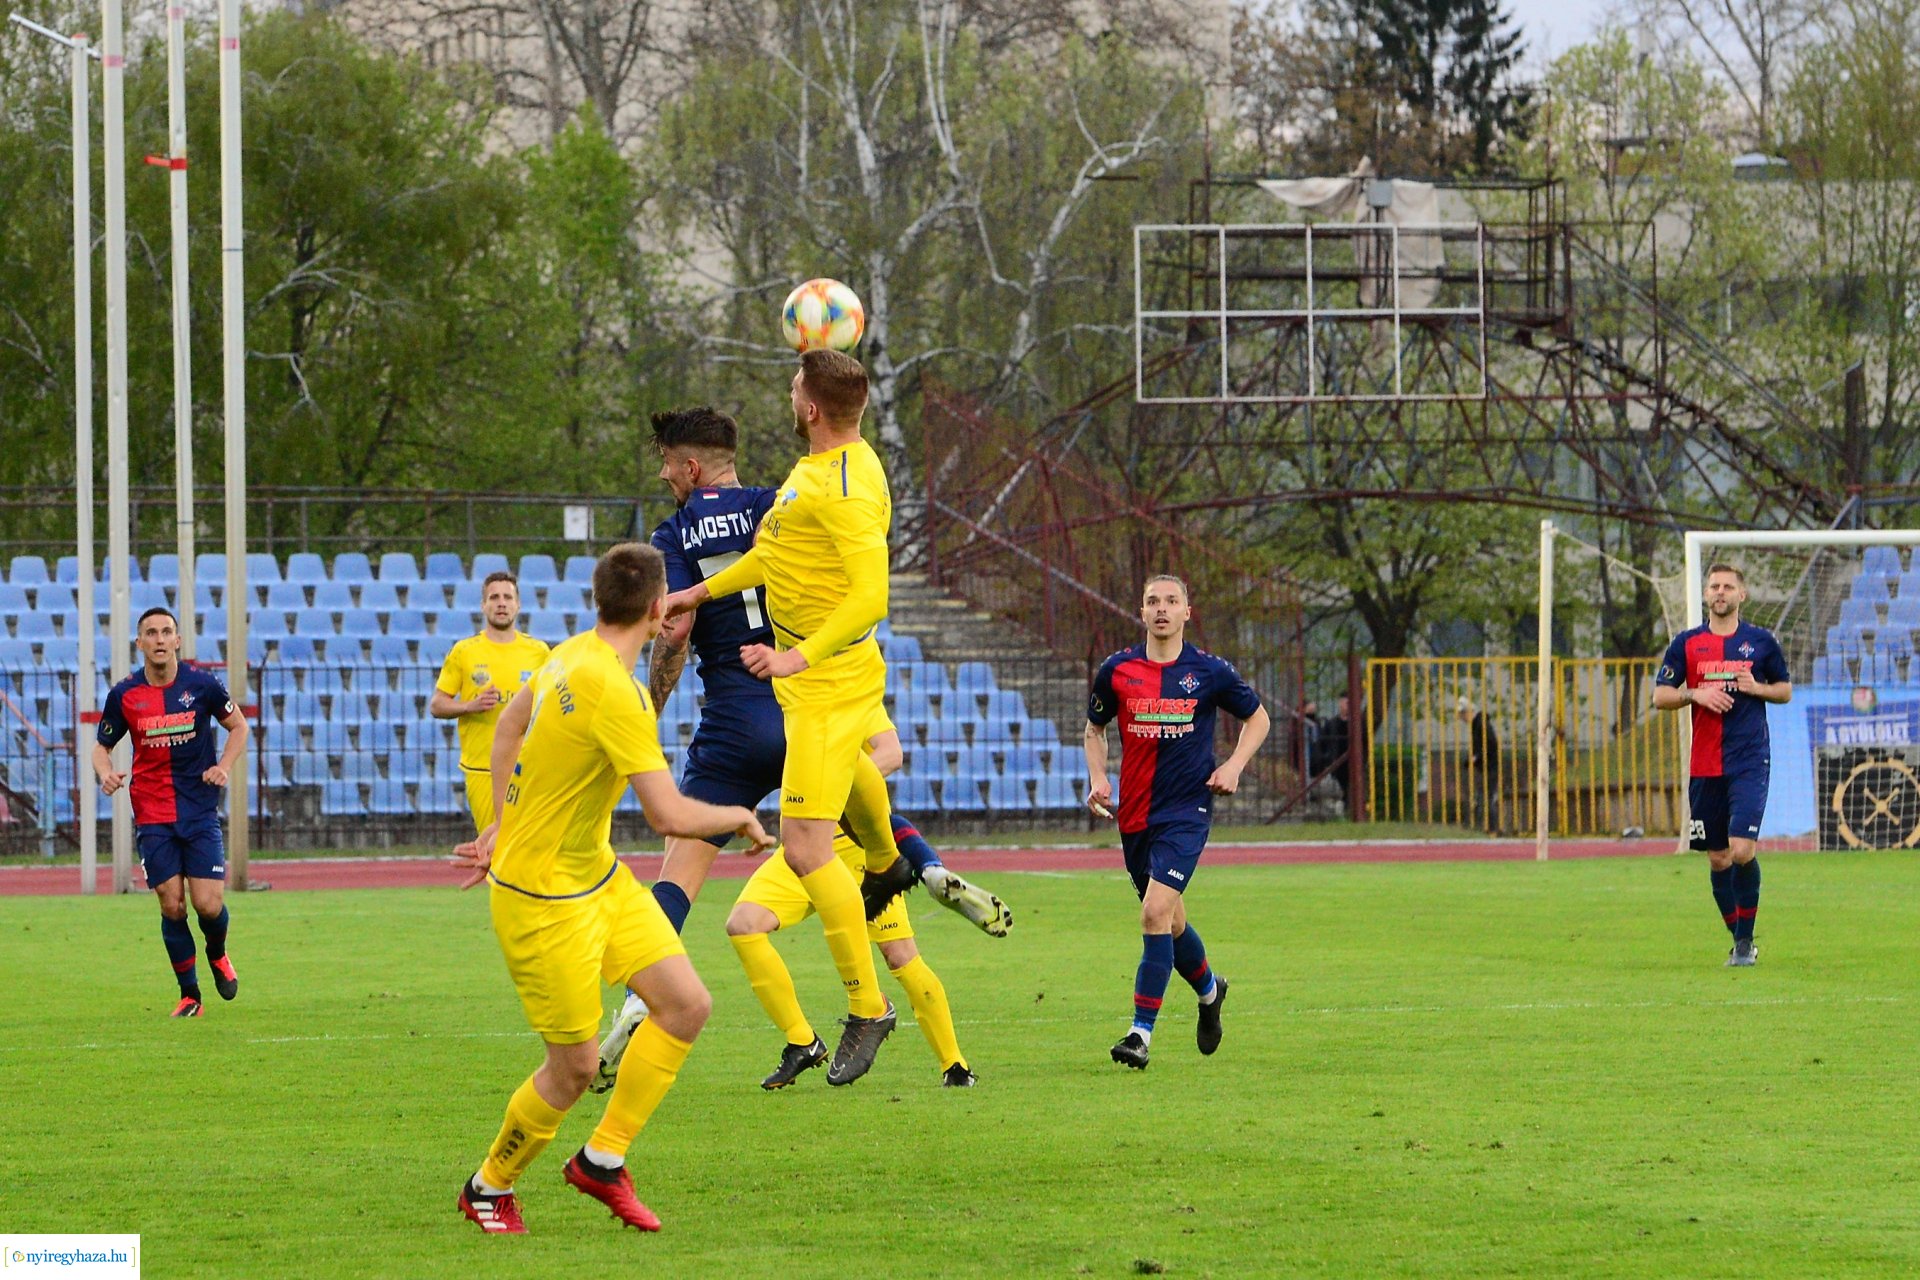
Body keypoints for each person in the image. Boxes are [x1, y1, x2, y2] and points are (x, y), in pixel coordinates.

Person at [593, 405, 1010, 1091]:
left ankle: (640, 1002)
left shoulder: (674, 533)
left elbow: (674, 633)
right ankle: (917, 866)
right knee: (843, 804)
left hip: (732, 723)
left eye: (668, 463)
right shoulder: (777, 503)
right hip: (802, 699)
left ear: (691, 467)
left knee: (676, 878)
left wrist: (647, 712)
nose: (665, 474)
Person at [448, 544, 775, 1236]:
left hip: (596, 877)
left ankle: (601, 1160)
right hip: (542, 902)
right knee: (574, 1068)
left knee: (685, 1005)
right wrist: (740, 815)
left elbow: (508, 723)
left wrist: (499, 822)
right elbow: (668, 816)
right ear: (659, 609)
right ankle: (486, 1186)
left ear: (599, 601)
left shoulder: (567, 652)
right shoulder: (615, 693)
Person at [661, 351, 917, 1086]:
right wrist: (697, 596)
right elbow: (770, 556)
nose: (789, 393)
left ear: (809, 408)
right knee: (846, 805)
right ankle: (884, 860)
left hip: (827, 683)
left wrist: (801, 657)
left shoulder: (843, 486)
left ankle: (868, 1009)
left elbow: (871, 597)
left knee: (805, 848)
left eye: (794, 387)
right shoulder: (813, 469)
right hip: (821, 681)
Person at [725, 708, 976, 1090]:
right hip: (801, 847)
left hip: (857, 848)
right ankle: (802, 1041)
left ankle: (954, 1065)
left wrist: (838, 785)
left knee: (900, 956)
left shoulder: (849, 691)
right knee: (743, 926)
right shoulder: (785, 699)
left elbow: (891, 752)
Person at [1085, 575, 1271, 1070]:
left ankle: (1139, 1034)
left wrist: (1233, 766)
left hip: (1188, 811)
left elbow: (1259, 719)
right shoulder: (1118, 670)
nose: (1162, 609)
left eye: (1171, 601)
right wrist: (1099, 778)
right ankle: (1211, 993)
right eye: (1153, 602)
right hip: (1136, 816)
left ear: (1188, 612)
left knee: (1153, 914)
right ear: (1141, 613)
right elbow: (1094, 730)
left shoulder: (1208, 672)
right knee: (1171, 920)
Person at [93, 606, 250, 1018]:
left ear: (178, 640)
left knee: (208, 905)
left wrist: (224, 766)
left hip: (198, 809)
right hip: (152, 811)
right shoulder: (124, 694)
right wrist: (105, 772)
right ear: (140, 643)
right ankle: (190, 994)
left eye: (167, 632)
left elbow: (239, 727)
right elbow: (101, 746)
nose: (160, 639)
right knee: (171, 904)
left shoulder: (202, 684)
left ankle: (216, 953)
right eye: (151, 633)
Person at [1653, 562, 1791, 967]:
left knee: (1742, 849)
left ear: (1741, 595)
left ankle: (1745, 944)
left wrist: (1757, 688)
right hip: (1705, 763)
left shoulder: (1761, 643)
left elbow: (1784, 690)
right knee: (1718, 858)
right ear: (1705, 594)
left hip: (1749, 760)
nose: (1720, 592)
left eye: (1728, 586)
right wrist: (1695, 694)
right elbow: (1661, 695)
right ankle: (1739, 937)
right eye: (1714, 586)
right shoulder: (1687, 643)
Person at [430, 571, 551, 834]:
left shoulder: (539, 652)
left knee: (532, 849)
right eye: (494, 597)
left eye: (508, 597)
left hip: (528, 767)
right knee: (496, 848)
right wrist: (468, 706)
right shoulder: (465, 651)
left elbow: (553, 703)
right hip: (482, 768)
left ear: (518, 605)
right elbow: (437, 705)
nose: (501, 603)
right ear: (483, 605)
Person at [1455, 696, 1502, 834]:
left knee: (1487, 797)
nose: (1462, 718)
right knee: (1484, 796)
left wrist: (1476, 757)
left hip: (1490, 766)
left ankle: (1493, 828)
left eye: (1463, 714)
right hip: (1486, 766)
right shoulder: (1477, 724)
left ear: (1469, 711)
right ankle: (1489, 827)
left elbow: (1491, 743)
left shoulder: (1481, 724)